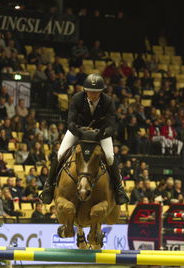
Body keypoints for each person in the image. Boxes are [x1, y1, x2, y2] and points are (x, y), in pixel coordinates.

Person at [40, 73, 129, 205]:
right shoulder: (77, 98)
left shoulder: (108, 101)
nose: (93, 95)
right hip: (78, 131)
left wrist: (100, 134)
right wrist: (80, 132)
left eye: (96, 92)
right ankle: (48, 187)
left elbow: (111, 126)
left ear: (101, 91)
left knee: (110, 157)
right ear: (85, 90)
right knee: (60, 154)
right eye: (90, 92)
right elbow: (70, 122)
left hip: (100, 133)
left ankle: (119, 189)